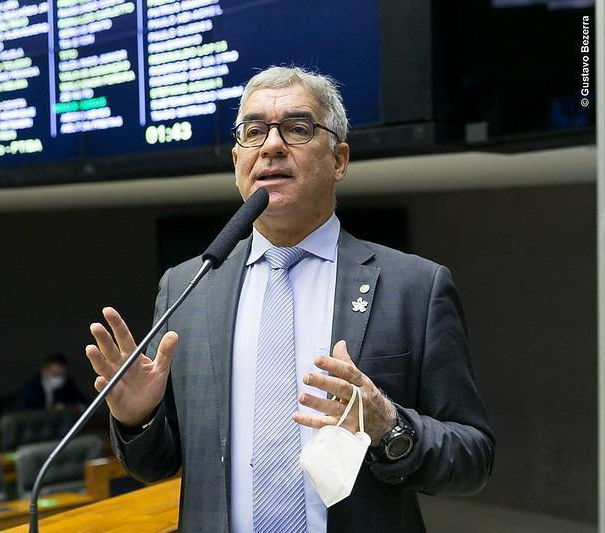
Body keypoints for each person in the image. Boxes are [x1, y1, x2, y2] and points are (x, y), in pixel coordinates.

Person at [85, 66, 495, 532]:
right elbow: (157, 464)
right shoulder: (188, 286)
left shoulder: (415, 287)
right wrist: (138, 420)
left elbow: (472, 457)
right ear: (237, 161)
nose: (272, 145)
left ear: (339, 160)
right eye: (254, 131)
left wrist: (387, 426)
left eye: (298, 129)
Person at [14, 352, 88, 411]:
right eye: (55, 374)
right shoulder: (30, 388)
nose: (59, 378)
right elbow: (21, 411)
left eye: (62, 374)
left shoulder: (68, 385)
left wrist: (67, 408)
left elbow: (85, 404)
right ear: (44, 371)